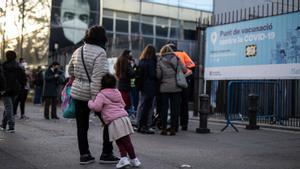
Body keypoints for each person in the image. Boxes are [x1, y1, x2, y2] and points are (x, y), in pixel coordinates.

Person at [68, 26, 119, 165]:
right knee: (109, 122)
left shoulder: (78, 50)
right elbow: (98, 78)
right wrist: (96, 99)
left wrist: (80, 78)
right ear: (102, 37)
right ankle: (106, 153)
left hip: (78, 93)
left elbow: (70, 70)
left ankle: (84, 155)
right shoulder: (100, 52)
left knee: (82, 126)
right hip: (93, 95)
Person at [88, 73, 141, 168]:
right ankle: (126, 159)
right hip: (124, 118)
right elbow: (123, 104)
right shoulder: (117, 92)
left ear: (102, 84)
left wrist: (90, 102)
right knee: (123, 141)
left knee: (122, 141)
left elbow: (97, 107)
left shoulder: (101, 94)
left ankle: (132, 159)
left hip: (114, 121)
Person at [156, 45, 187, 136]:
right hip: (176, 87)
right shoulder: (177, 59)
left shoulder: (160, 60)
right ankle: (173, 129)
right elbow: (184, 70)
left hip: (164, 88)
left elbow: (158, 75)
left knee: (164, 109)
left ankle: (164, 129)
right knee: (175, 109)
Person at [169, 44, 195, 131]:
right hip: (184, 81)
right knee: (184, 103)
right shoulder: (183, 54)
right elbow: (192, 65)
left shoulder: (169, 55)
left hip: (173, 82)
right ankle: (184, 124)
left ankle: (174, 124)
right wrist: (184, 74)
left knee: (175, 103)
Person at [0, 51, 26, 133]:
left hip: (5, 90)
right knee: (9, 107)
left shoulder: (3, 66)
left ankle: (11, 126)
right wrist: (21, 86)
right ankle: (3, 125)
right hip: (16, 90)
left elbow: (1, 78)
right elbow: (24, 78)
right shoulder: (19, 66)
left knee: (9, 108)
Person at [136, 44, 157, 134]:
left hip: (142, 86)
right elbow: (152, 75)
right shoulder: (151, 62)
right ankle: (144, 126)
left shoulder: (141, 61)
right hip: (150, 87)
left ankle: (140, 125)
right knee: (147, 107)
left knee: (142, 106)